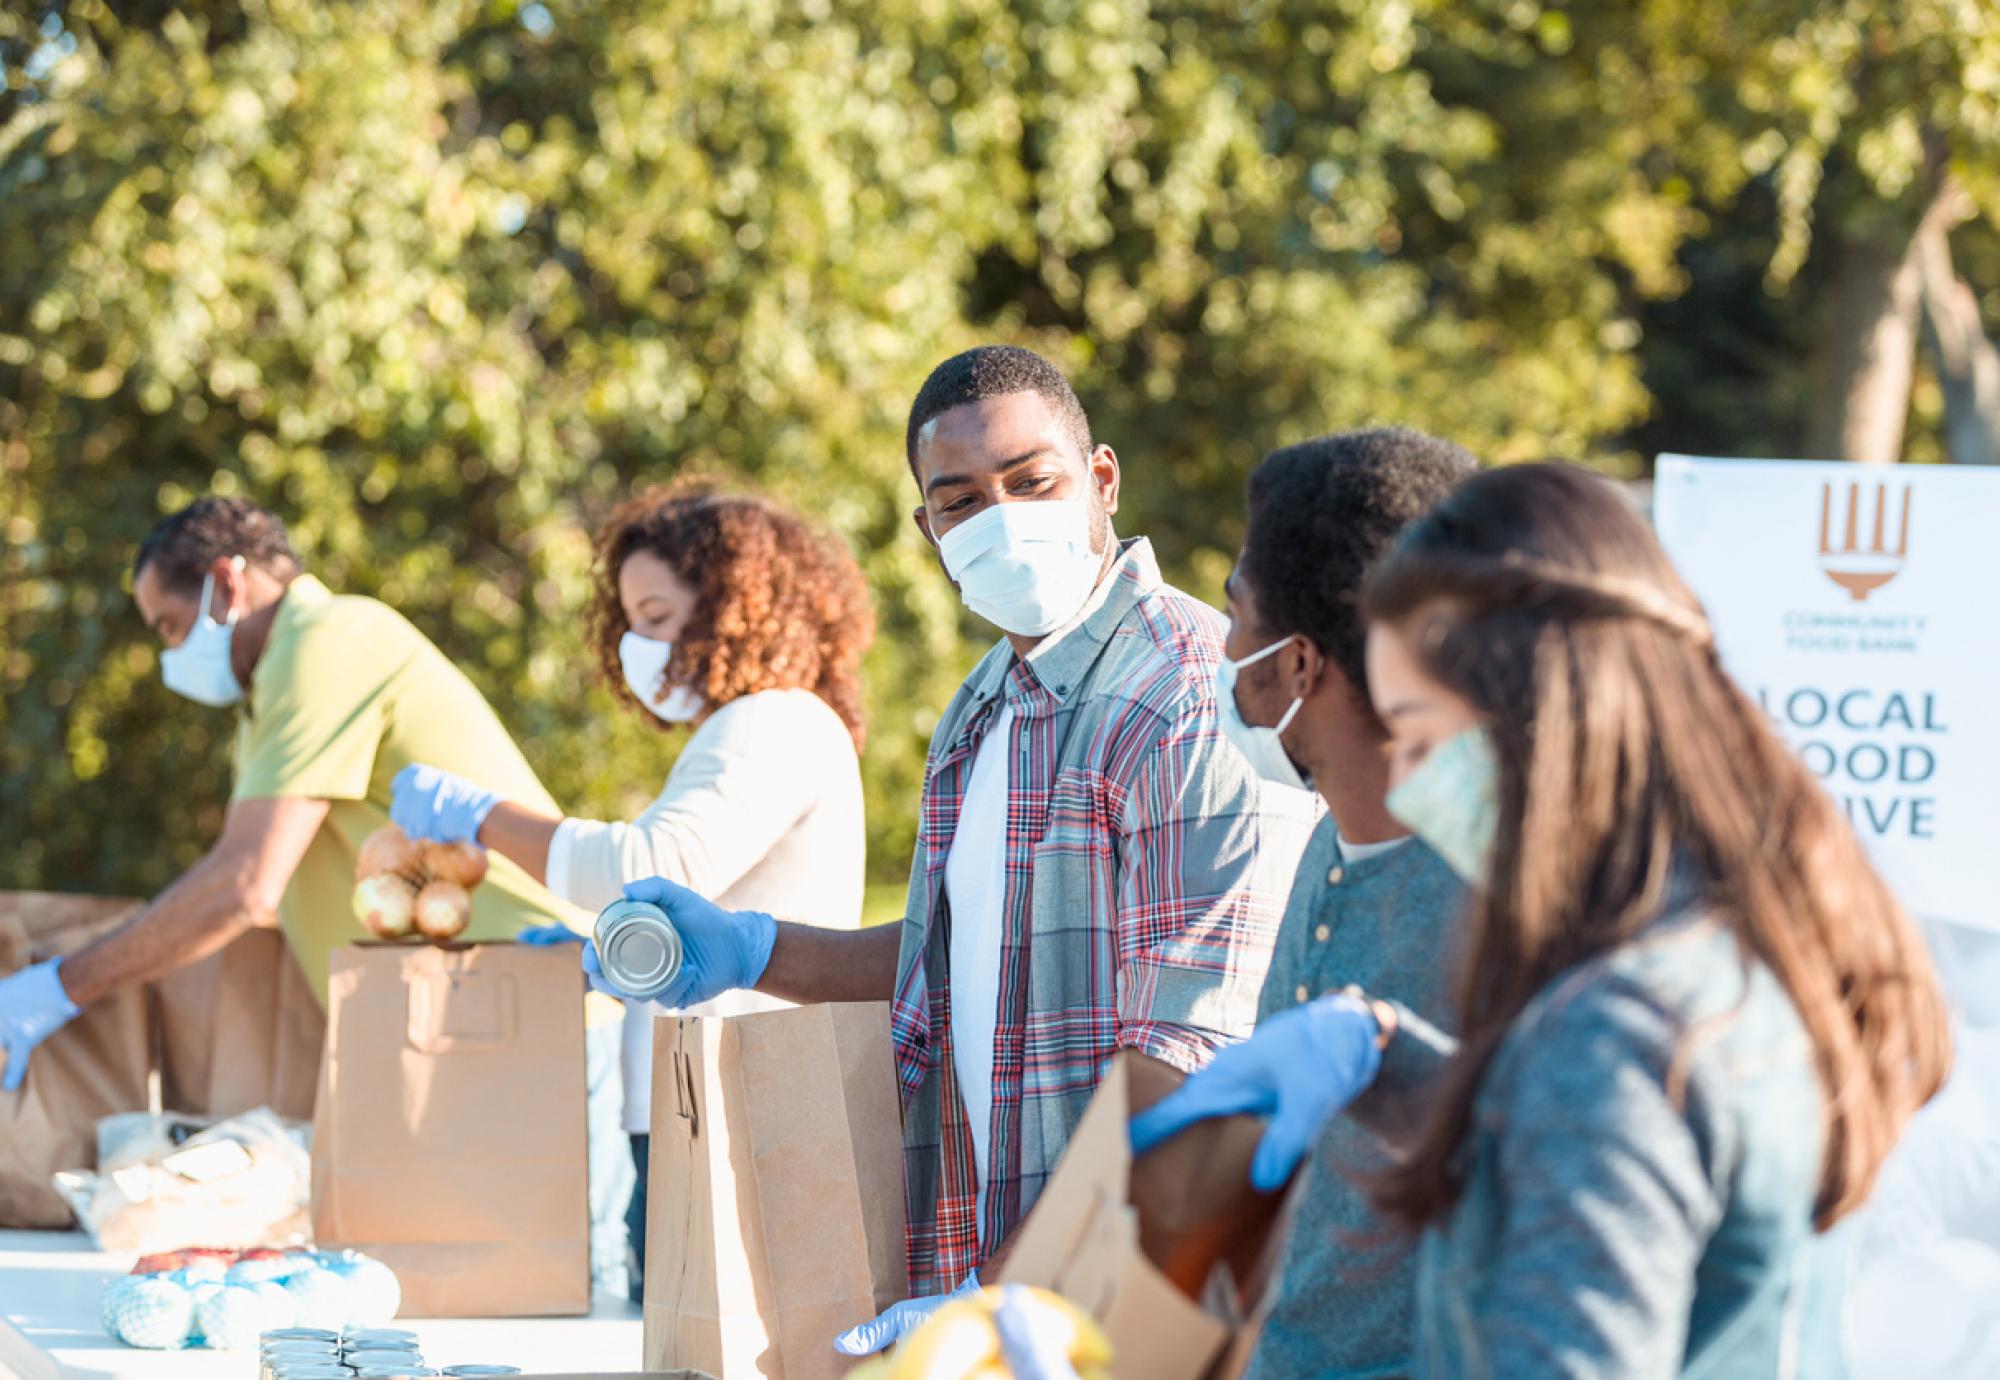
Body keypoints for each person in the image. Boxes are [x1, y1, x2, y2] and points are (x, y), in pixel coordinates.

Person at [1135, 462, 1954, 1376]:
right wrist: (1389, 1061)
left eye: (1419, 735)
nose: (1404, 780)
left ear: (1536, 715)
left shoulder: (1619, 1029)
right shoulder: (1730, 939)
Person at [581, 345, 1318, 1352]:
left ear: (1100, 478)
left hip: (1126, 1306)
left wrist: (1003, 1298)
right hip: (989, 1276)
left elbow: (1190, 1070)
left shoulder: (1186, 699)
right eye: (963, 498)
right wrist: (758, 950)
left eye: (1032, 481)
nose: (1003, 517)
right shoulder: (981, 709)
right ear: (927, 527)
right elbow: (955, 956)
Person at [0, 496, 633, 1294]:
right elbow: (267, 892)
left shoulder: (326, 642)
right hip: (445, 1025)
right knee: (474, 1302)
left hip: (526, 1013)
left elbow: (241, 884)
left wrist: (62, 985)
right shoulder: (264, 692)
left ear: (226, 583)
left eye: (168, 626)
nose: (169, 655)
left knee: (574, 1299)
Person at [390, 480, 874, 1300]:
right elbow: (701, 904)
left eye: (655, 617)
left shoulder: (773, 721)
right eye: (631, 623)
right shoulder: (752, 727)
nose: (638, 646)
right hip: (706, 1104)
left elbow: (655, 863)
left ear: (732, 603)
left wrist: (480, 816)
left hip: (744, 1110)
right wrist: (610, 957)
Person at [1209, 429, 1474, 1378]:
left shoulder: (1503, 901)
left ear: (1297, 663)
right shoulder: (1329, 834)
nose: (1223, 646)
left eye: (1237, 613)